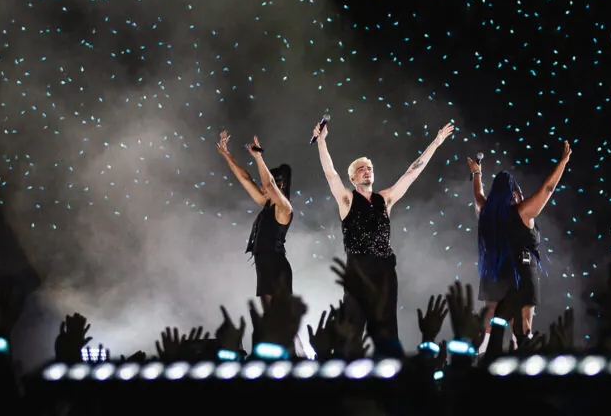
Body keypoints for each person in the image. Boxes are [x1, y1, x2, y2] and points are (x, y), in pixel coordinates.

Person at [313, 120, 455, 339]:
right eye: (361, 169)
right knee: (352, 332)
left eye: (369, 168)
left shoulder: (385, 199)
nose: (366, 171)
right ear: (352, 178)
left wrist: (436, 142)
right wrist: (321, 142)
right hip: (358, 274)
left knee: (386, 333)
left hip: (384, 274)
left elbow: (411, 173)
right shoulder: (347, 199)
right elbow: (331, 175)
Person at [469, 140, 572, 350]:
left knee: (490, 323)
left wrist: (477, 173)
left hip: (495, 272)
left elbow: (478, 195)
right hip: (522, 272)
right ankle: (521, 369)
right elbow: (548, 189)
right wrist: (563, 162)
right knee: (523, 327)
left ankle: (480, 366)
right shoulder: (523, 212)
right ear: (513, 193)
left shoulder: (486, 212)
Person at [216, 130, 293, 303]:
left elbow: (269, 184)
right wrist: (227, 154)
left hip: (276, 270)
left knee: (278, 321)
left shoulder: (284, 208)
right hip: (265, 268)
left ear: (280, 185)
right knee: (270, 322)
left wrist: (258, 157)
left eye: (266, 187)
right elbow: (245, 179)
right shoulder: (266, 204)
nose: (262, 188)